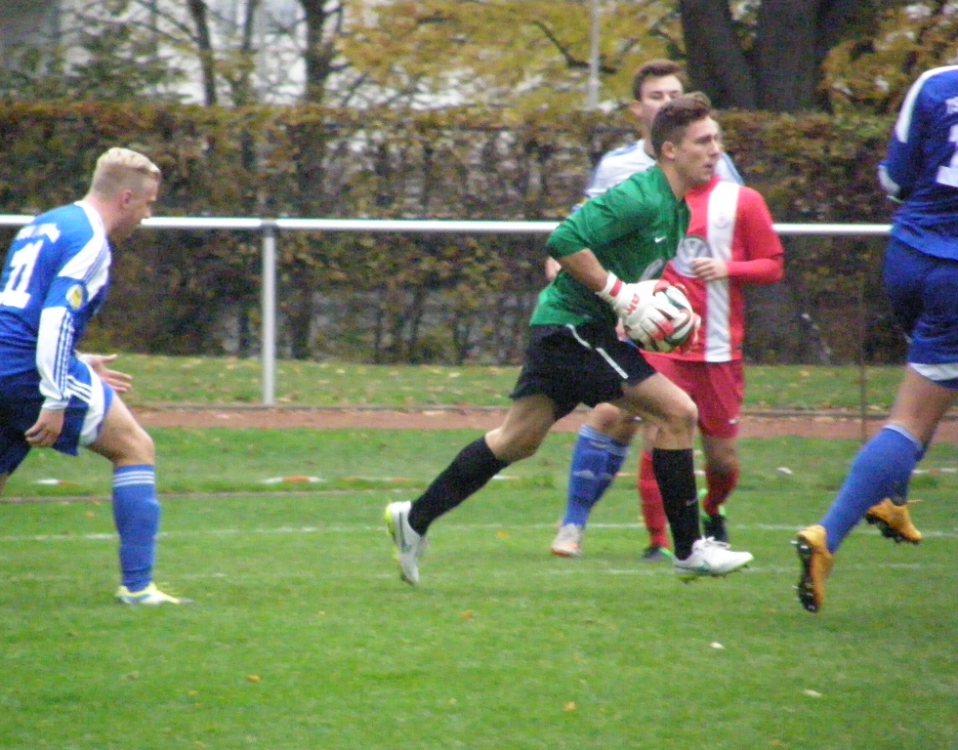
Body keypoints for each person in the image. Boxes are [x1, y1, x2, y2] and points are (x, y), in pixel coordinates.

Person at [385, 95, 754, 586]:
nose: (715, 150)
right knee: (678, 412)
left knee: (516, 441)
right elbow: (563, 240)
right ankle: (689, 550)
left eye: (716, 140)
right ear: (670, 149)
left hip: (575, 328)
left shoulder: (676, 210)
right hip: (572, 329)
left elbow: (635, 278)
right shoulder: (639, 197)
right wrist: (618, 294)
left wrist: (656, 305)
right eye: (703, 141)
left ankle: (414, 519)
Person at [0, 147, 189, 606]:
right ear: (126, 198)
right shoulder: (90, 241)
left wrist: (78, 359)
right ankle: (138, 588)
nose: (148, 215)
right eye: (148, 203)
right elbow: (55, 318)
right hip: (27, 368)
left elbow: (22, 311)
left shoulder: (47, 223)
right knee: (134, 447)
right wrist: (56, 397)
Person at [548, 59, 757, 563]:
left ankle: (689, 535)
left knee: (686, 428)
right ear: (639, 109)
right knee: (619, 416)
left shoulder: (713, 161)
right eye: (658, 96)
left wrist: (685, 297)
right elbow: (576, 234)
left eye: (674, 94)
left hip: (676, 316)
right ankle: (580, 523)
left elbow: (732, 221)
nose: (668, 103)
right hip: (624, 308)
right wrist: (607, 291)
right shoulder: (617, 168)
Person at [794, 65, 958, 613]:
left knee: (924, 396)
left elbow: (894, 180)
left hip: (908, 256)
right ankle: (828, 533)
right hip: (955, 273)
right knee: (913, 417)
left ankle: (893, 499)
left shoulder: (935, 83)